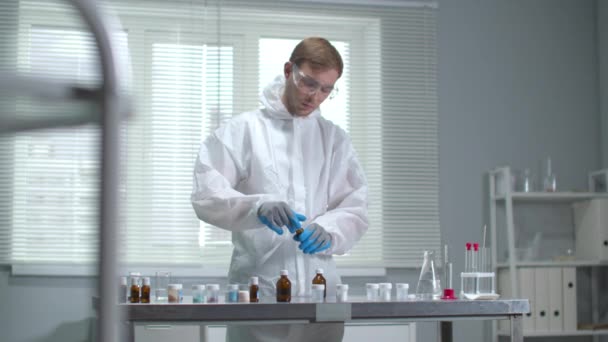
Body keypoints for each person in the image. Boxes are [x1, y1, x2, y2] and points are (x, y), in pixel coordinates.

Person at [191, 37, 369, 342]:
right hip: (261, 290)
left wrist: (329, 229)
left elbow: (355, 206)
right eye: (308, 83)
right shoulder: (244, 131)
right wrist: (256, 207)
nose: (315, 96)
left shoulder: (334, 140)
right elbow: (206, 194)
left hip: (320, 295)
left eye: (326, 89)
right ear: (289, 70)